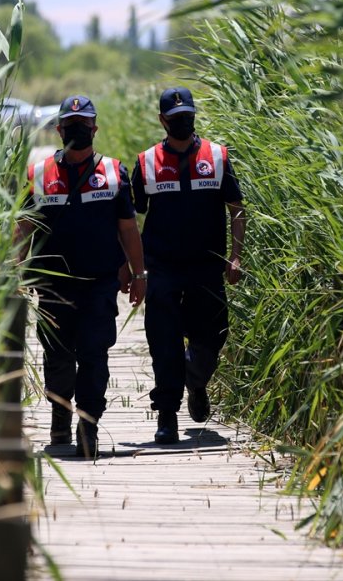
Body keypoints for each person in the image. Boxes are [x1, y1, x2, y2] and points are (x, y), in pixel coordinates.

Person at [15, 94, 146, 458]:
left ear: (95, 129)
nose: (78, 130)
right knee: (57, 358)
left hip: (98, 285)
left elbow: (128, 229)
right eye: (71, 126)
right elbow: (24, 227)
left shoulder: (114, 173)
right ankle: (60, 415)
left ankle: (87, 423)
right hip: (52, 287)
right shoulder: (38, 174)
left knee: (94, 355)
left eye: (84, 125)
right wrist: (13, 268)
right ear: (58, 130)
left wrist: (139, 273)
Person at [131, 86, 246, 444]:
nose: (183, 122)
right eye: (176, 118)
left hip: (207, 265)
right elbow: (130, 218)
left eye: (188, 116)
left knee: (214, 335)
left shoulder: (217, 156)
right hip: (162, 267)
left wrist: (236, 255)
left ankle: (195, 381)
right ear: (162, 120)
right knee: (163, 342)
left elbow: (237, 209)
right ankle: (167, 417)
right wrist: (132, 267)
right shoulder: (146, 162)